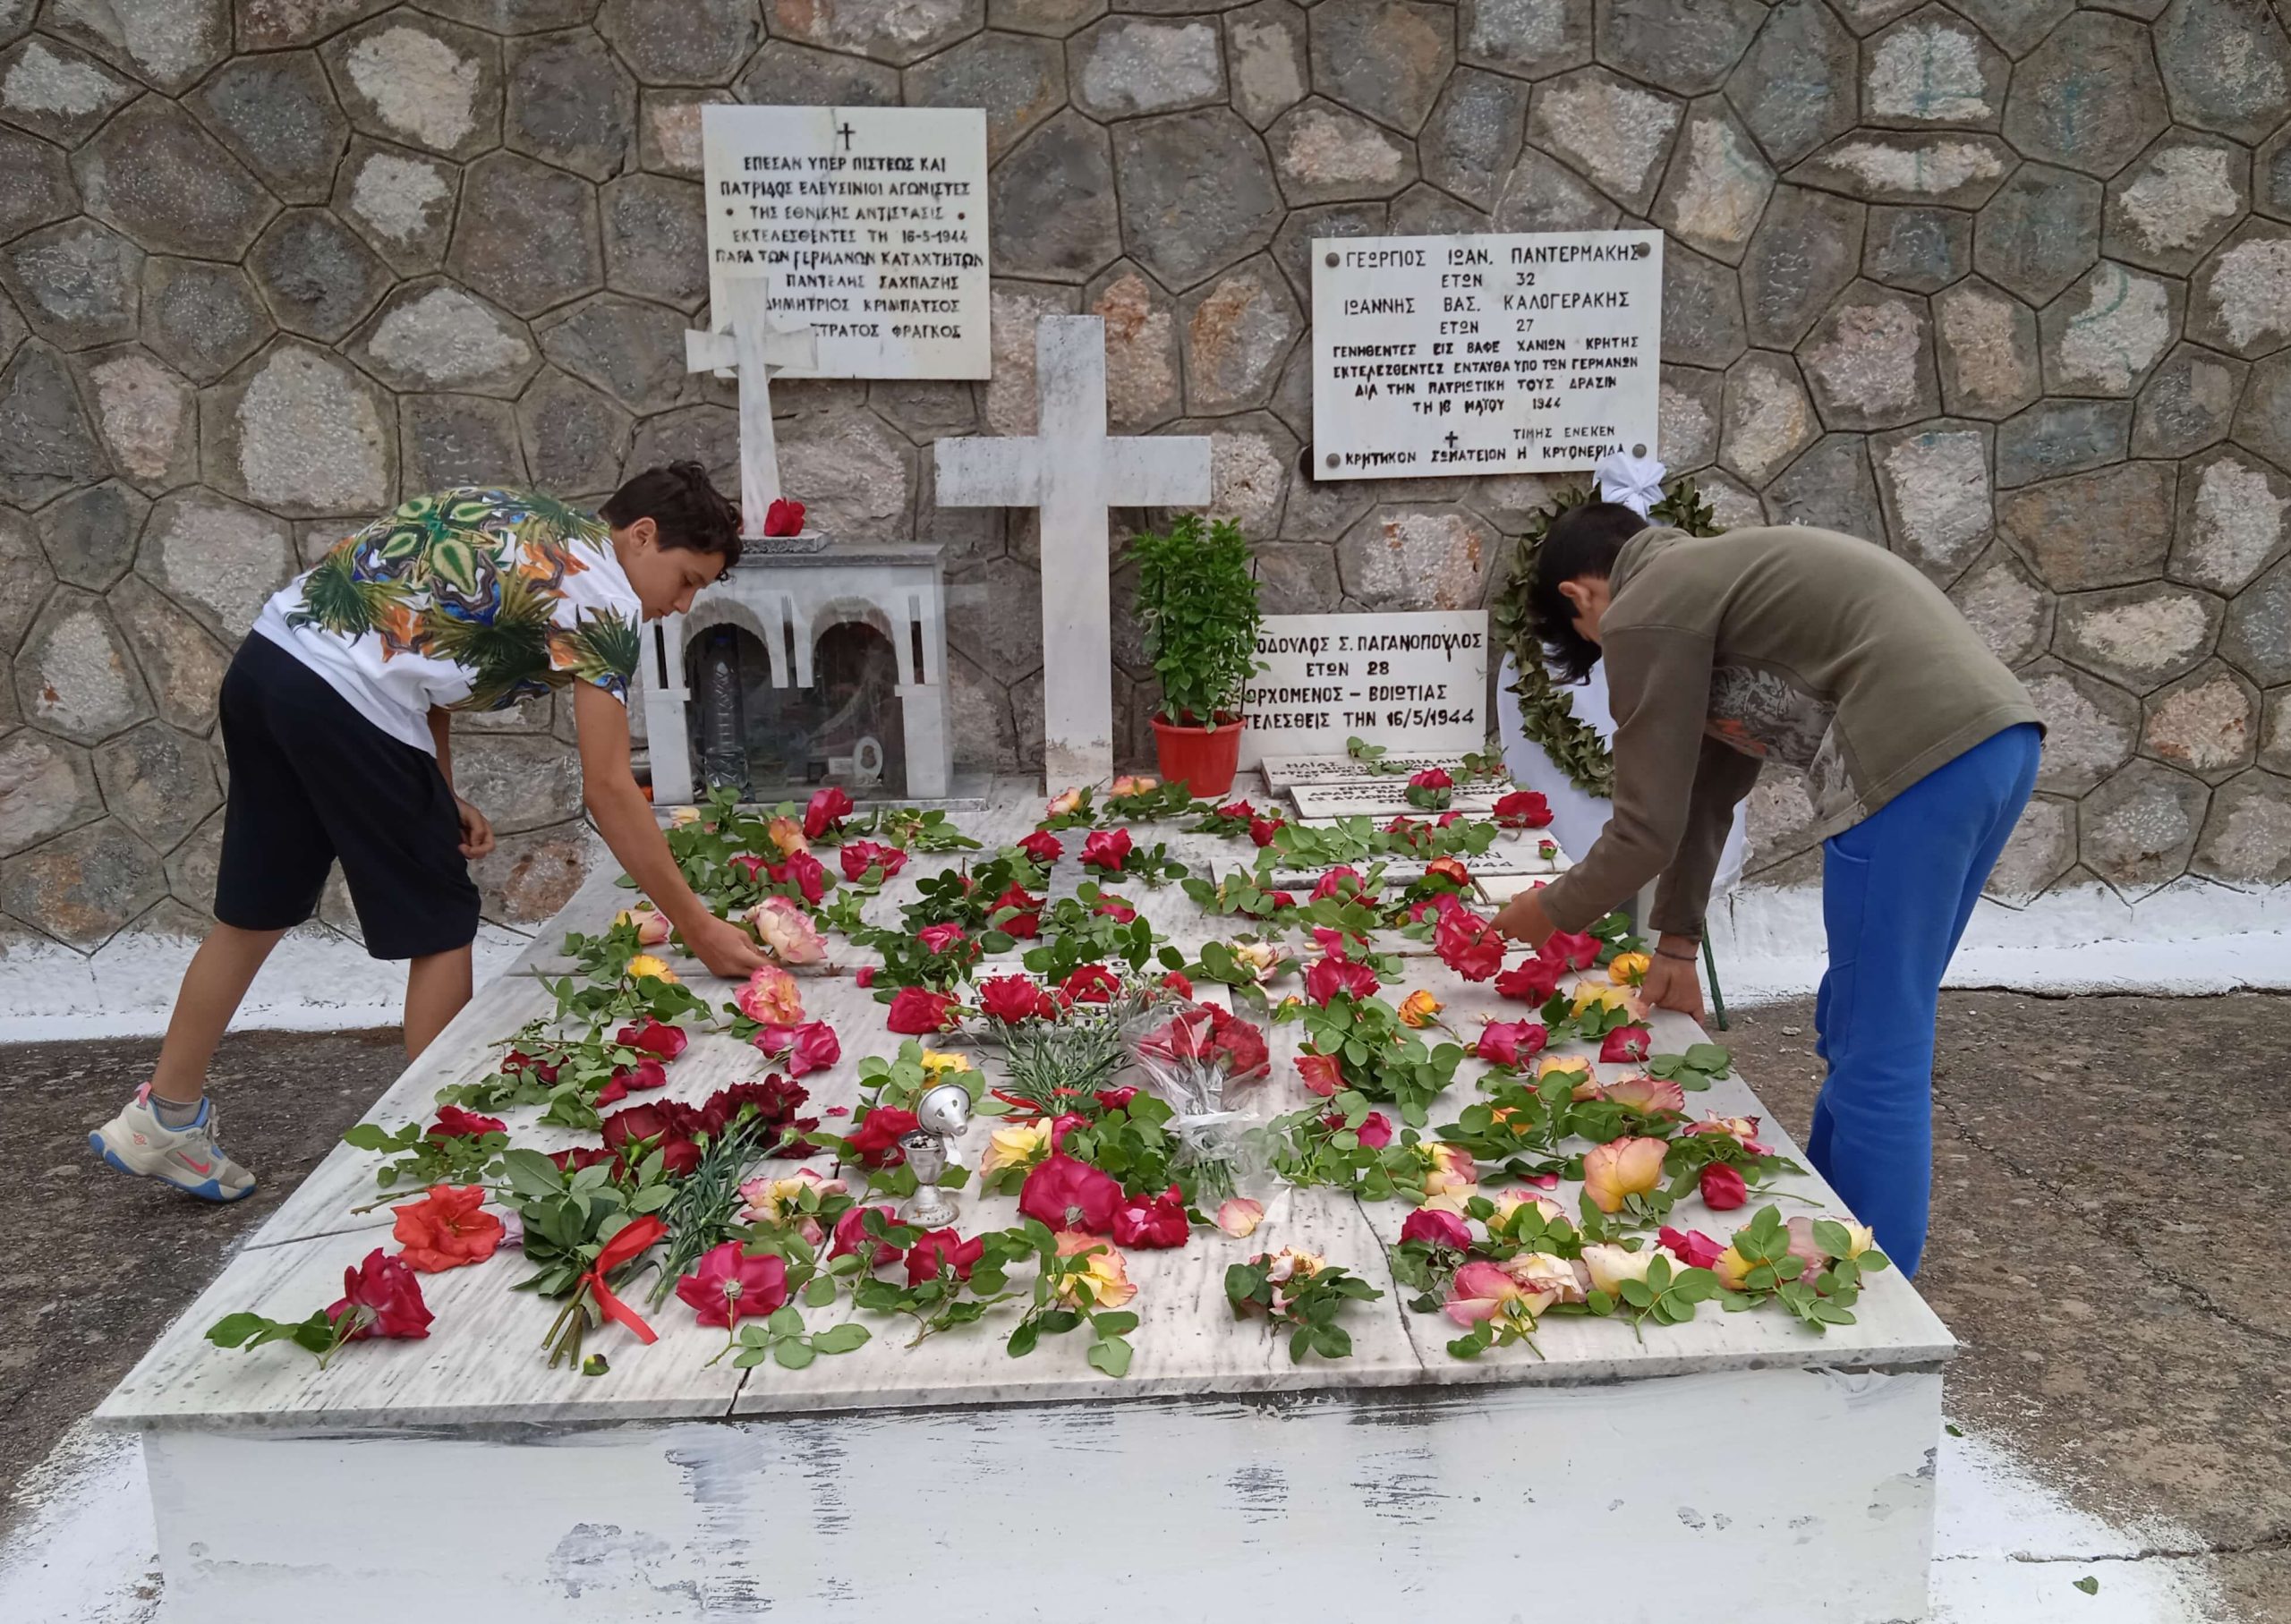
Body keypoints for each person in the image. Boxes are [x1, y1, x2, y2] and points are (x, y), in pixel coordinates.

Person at [91, 465, 769, 1202]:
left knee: (254, 911)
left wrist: (439, 790)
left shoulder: (517, 516)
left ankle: (165, 1115)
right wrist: (698, 926)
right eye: (686, 578)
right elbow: (609, 787)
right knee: (442, 920)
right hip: (347, 699)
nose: (681, 603)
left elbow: (428, 655)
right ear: (642, 536)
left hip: (269, 665)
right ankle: (445, 1153)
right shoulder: (604, 599)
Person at [1491, 504, 2042, 1275]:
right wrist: (1676, 943)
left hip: (1914, 762)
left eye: (1588, 642)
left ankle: (1877, 1285)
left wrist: (1545, 912)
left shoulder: (1649, 605)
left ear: (1580, 596)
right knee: (1861, 1020)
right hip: (1997, 748)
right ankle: (1836, 1224)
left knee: (1881, 1039)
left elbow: (1646, 828)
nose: (1606, 654)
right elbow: (1711, 785)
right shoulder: (1714, 581)